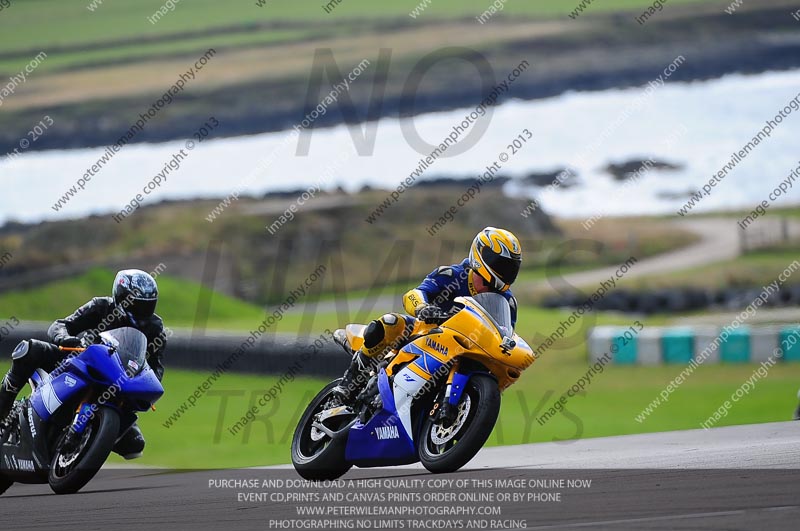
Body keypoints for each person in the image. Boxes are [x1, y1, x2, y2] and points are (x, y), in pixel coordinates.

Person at [332, 227, 522, 414]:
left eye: (510, 267)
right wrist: (423, 308)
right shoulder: (452, 275)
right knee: (390, 322)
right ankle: (349, 383)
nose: (505, 271)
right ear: (481, 255)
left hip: (469, 349)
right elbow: (414, 294)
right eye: (501, 264)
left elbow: (503, 334)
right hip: (426, 333)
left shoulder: (507, 302)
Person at [0, 269, 167, 459]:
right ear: (122, 297)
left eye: (147, 306)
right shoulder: (101, 306)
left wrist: (144, 385)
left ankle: (87, 443)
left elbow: (156, 367)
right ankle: (3, 410)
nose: (142, 311)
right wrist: (65, 338)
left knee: (135, 444)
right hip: (78, 360)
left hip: (117, 381)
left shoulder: (155, 328)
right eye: (137, 305)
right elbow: (61, 325)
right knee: (31, 350)